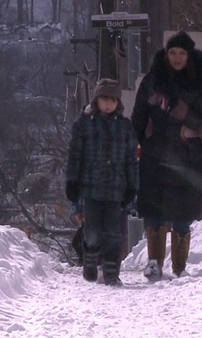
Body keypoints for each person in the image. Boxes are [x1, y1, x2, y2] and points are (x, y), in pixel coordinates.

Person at [131, 31, 202, 280]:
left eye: (182, 53)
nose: (177, 58)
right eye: (172, 53)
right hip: (155, 153)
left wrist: (184, 113)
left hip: (186, 154)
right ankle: (154, 263)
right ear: (166, 55)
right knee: (153, 208)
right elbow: (138, 116)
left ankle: (179, 266)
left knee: (183, 211)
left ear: (189, 56)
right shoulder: (152, 81)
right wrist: (137, 143)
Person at [66, 78, 139, 286]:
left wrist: (132, 186)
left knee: (114, 233)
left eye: (113, 100)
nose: (108, 104)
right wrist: (72, 181)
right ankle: (90, 255)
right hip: (90, 188)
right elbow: (75, 156)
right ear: (96, 100)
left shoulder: (125, 127)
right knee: (93, 230)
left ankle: (111, 271)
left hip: (116, 188)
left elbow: (131, 160)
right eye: (104, 99)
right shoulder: (84, 125)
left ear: (118, 103)